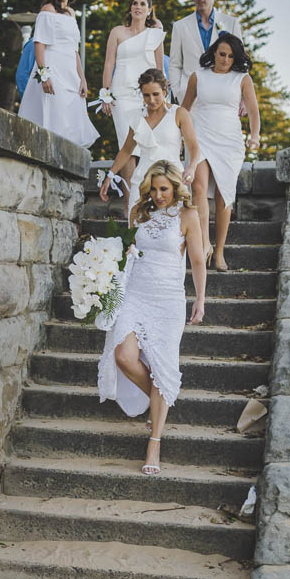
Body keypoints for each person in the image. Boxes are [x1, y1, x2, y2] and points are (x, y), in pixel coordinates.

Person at [97, 160, 207, 476]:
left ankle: (154, 441)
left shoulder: (188, 216)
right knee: (124, 355)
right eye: (155, 189)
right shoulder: (138, 214)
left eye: (164, 189)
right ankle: (159, 401)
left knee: (162, 365)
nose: (159, 195)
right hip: (135, 294)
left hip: (168, 301)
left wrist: (200, 298)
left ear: (175, 188)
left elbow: (198, 261)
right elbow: (125, 254)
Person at [182, 33, 261, 270]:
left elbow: (255, 113)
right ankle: (203, 244)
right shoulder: (198, 76)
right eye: (222, 54)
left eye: (230, 56)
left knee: (223, 195)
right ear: (214, 52)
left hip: (229, 141)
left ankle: (219, 252)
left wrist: (255, 136)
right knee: (198, 188)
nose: (225, 59)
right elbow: (184, 109)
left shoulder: (242, 79)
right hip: (200, 135)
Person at [18, 0, 99, 148]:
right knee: (56, 114)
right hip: (53, 70)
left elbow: (74, 50)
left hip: (70, 72)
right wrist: (44, 75)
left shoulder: (71, 13)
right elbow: (39, 44)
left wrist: (82, 79)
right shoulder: (47, 10)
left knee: (71, 118)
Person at [98, 69, 199, 212]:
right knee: (137, 229)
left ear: (165, 91)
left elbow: (194, 147)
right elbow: (127, 150)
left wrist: (192, 168)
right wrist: (110, 176)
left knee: (172, 229)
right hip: (142, 180)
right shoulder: (137, 117)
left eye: (155, 94)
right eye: (146, 95)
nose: (151, 100)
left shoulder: (179, 113)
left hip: (172, 178)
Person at [100, 0, 166, 150]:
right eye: (135, 3)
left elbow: (159, 67)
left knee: (149, 142)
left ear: (149, 10)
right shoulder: (117, 32)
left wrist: (163, 96)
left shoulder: (155, 35)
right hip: (122, 93)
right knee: (126, 143)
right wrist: (105, 94)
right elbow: (109, 63)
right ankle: (128, 176)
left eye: (143, 4)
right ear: (130, 8)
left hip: (147, 94)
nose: (138, 7)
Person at [169, 0, 243, 106]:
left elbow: (240, 60)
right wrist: (177, 92)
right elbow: (175, 63)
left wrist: (242, 96)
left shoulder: (231, 23)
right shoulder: (180, 26)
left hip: (223, 96)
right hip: (189, 97)